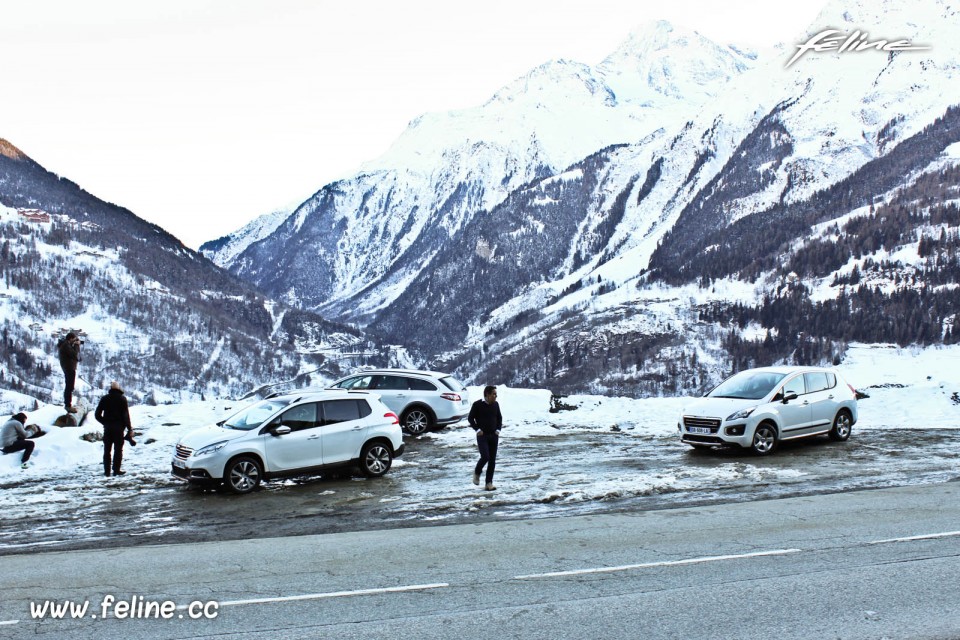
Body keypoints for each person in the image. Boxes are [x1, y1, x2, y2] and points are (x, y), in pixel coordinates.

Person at [94, 381, 133, 477]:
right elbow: (126, 416)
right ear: (119, 389)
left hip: (108, 428)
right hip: (119, 429)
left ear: (111, 388)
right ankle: (116, 470)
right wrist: (129, 428)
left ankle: (107, 471)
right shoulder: (122, 399)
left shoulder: (104, 399)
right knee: (118, 450)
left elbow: (97, 414)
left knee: (107, 450)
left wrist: (105, 422)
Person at [468, 385, 503, 491]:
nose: (495, 396)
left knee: (492, 461)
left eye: (496, 394)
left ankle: (489, 483)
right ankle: (477, 472)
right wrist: (477, 430)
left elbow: (499, 418)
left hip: (494, 435)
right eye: (494, 394)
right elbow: (470, 418)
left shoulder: (496, 405)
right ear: (487, 394)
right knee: (485, 457)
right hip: (482, 436)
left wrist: (498, 430)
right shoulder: (477, 404)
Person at [57, 332, 82, 413]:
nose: (75, 341)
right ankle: (68, 405)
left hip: (68, 367)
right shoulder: (66, 346)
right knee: (69, 387)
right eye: (74, 339)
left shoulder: (66, 345)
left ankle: (68, 404)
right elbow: (74, 354)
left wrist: (75, 344)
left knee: (70, 387)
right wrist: (77, 345)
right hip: (69, 368)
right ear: (70, 339)